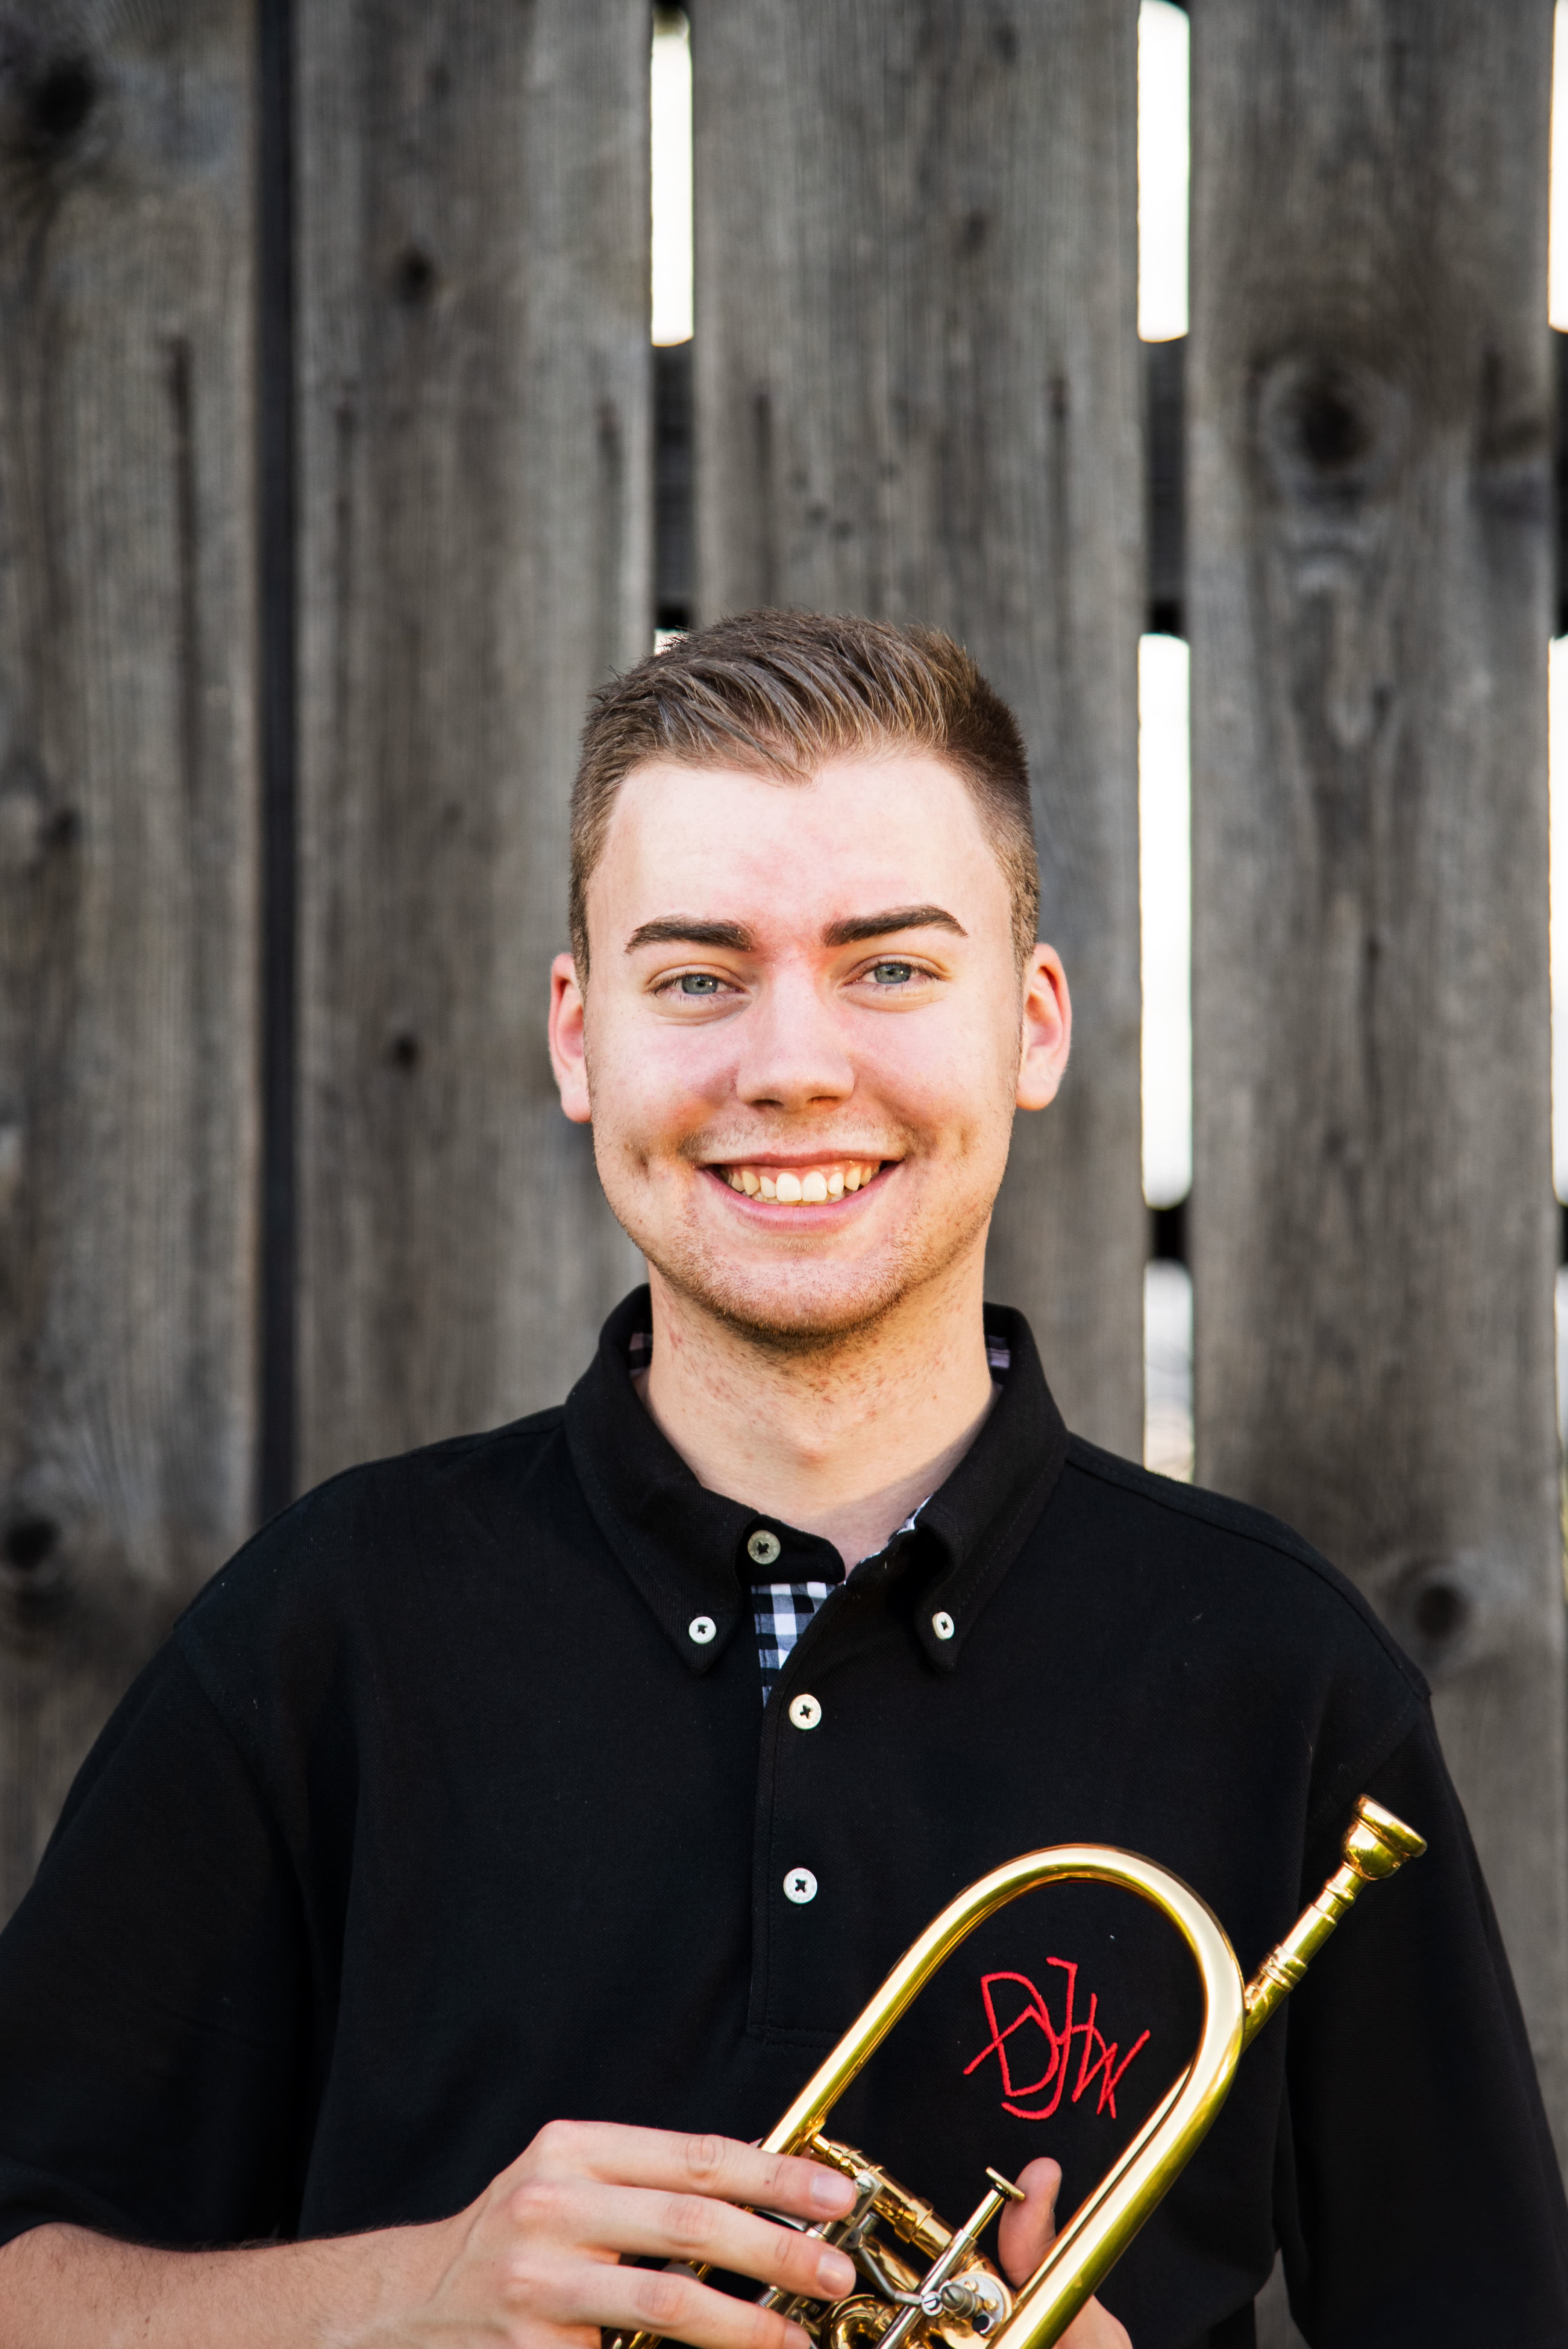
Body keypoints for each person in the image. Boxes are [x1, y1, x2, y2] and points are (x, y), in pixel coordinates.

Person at [0, 612, 1561, 2349]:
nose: (793, 1064)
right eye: (698, 978)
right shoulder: (328, 1628)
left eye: (889, 969)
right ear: (580, 1039)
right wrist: (406, 2297)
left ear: (1032, 1026)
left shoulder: (1285, 1673)